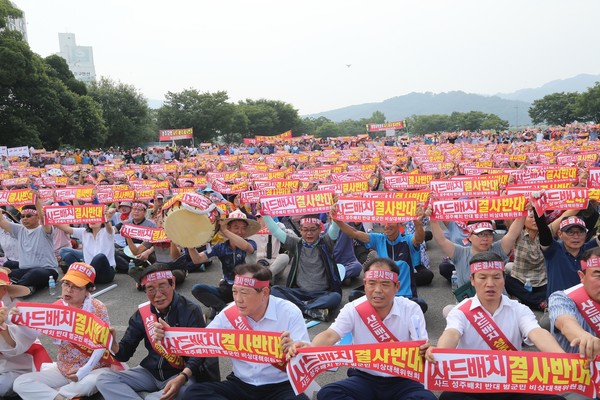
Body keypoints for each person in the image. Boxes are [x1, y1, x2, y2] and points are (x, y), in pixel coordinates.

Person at [284, 258, 436, 400]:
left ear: (397, 287)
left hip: (403, 379)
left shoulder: (411, 309)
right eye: (372, 283)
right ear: (364, 284)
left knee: (427, 398)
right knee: (328, 393)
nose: (377, 290)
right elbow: (330, 335)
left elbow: (421, 344)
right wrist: (310, 348)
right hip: (365, 378)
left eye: (385, 284)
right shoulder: (354, 308)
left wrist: (427, 350)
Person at [425, 252, 566, 400]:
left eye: (496, 277)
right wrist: (440, 352)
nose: (490, 283)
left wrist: (562, 357)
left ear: (504, 280)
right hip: (472, 384)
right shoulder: (460, 311)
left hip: (512, 383)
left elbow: (537, 333)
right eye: (483, 277)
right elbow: (452, 334)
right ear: (472, 280)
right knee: (449, 397)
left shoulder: (518, 309)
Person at [179, 263, 309, 400]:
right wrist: (166, 337)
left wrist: (294, 348)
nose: (238, 299)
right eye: (235, 291)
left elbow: (306, 356)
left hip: (279, 386)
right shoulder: (229, 314)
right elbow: (202, 342)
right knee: (193, 393)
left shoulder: (289, 312)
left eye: (245, 292)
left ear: (264, 292)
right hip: (240, 384)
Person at [96, 265, 220, 400]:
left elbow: (199, 354)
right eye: (151, 289)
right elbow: (125, 353)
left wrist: (182, 377)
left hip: (181, 374)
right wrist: (113, 345)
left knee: (184, 392)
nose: (158, 295)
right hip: (150, 372)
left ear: (172, 283)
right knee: (104, 379)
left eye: (162, 286)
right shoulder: (142, 314)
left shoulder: (190, 310)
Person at [13, 262, 115, 399]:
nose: (68, 290)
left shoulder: (97, 308)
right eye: (66, 284)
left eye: (76, 287)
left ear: (88, 289)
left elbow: (102, 345)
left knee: (91, 383)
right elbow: (34, 333)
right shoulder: (56, 307)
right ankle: (61, 397)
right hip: (63, 369)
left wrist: (84, 370)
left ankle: (53, 394)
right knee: (20, 382)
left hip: (94, 368)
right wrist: (20, 319)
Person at [334, 213, 429, 311]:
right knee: (353, 295)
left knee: (421, 305)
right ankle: (385, 310)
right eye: (384, 221)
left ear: (398, 222)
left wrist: (418, 224)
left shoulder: (407, 240)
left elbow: (419, 239)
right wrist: (338, 221)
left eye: (390, 222)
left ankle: (381, 311)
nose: (386, 225)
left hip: (405, 296)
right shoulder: (379, 239)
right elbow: (354, 233)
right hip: (382, 295)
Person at [263, 214, 342, 321]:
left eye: (313, 229)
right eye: (305, 230)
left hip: (322, 294)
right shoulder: (296, 243)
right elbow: (276, 231)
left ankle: (299, 307)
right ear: (300, 230)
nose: (309, 233)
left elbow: (335, 228)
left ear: (320, 229)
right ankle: (310, 309)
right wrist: (264, 214)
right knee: (274, 290)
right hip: (299, 292)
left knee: (335, 297)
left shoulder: (326, 243)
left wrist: (336, 212)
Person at [191, 210, 260, 319]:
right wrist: (189, 244)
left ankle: (221, 310)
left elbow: (245, 247)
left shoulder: (251, 243)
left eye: (243, 228)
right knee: (197, 289)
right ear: (229, 228)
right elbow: (197, 259)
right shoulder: (220, 247)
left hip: (247, 287)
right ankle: (225, 311)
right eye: (236, 227)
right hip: (228, 287)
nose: (240, 231)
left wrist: (224, 231)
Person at [0, 267, 49, 398]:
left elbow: (14, 347)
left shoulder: (18, 312)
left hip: (20, 367)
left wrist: (2, 327)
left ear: (4, 289)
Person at [0, 196, 59, 295]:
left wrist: (36, 200)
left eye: (29, 216)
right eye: (22, 216)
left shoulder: (44, 230)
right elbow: (2, 222)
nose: (25, 219)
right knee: (4, 273)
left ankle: (16, 287)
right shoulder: (19, 229)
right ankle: (24, 286)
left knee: (35, 274)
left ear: (37, 217)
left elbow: (43, 217)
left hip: (47, 271)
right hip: (25, 270)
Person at [549, 248, 600, 361]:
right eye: (598, 276)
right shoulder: (563, 298)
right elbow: (565, 323)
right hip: (574, 375)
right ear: (582, 276)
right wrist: (584, 337)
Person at [534, 214, 600, 298]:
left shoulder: (590, 249)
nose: (576, 237)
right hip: (558, 306)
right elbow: (543, 229)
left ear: (586, 234)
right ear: (560, 234)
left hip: (585, 307)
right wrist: (536, 209)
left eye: (580, 232)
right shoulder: (553, 250)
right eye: (570, 232)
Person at [54, 209, 116, 284]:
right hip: (89, 271)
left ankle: (83, 281)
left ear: (102, 220)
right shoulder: (84, 232)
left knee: (100, 257)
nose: (92, 220)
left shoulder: (107, 231)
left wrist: (107, 219)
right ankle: (81, 277)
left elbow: (109, 229)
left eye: (95, 218)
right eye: (90, 218)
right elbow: (66, 228)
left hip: (105, 274)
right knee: (67, 255)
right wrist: (49, 218)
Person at [247, 212, 292, 282]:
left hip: (273, 264)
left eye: (263, 217)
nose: (261, 219)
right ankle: (261, 278)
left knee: (284, 257)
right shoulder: (251, 231)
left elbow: (291, 239)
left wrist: (280, 229)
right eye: (258, 217)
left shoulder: (278, 228)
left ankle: (266, 277)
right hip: (255, 264)